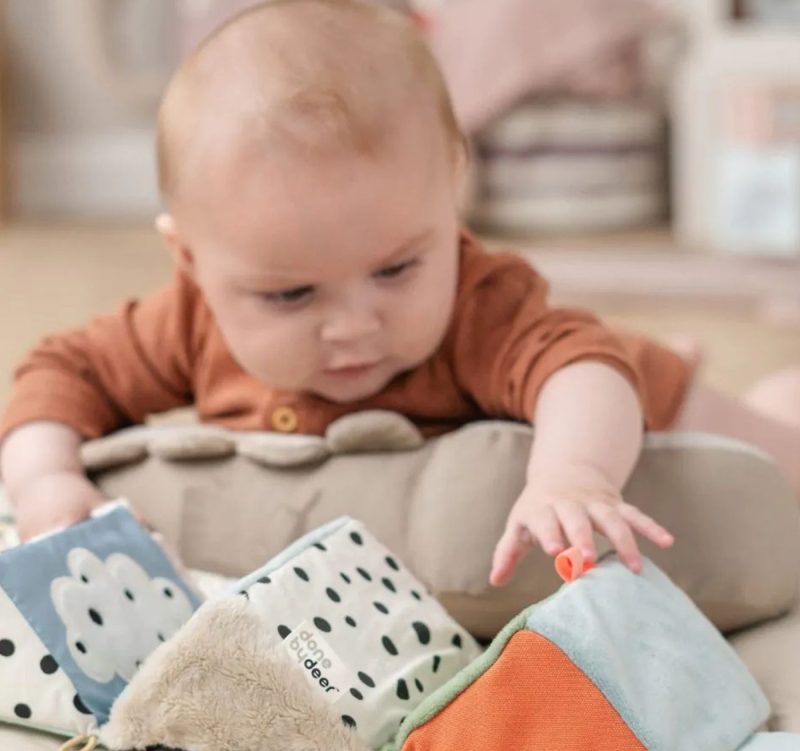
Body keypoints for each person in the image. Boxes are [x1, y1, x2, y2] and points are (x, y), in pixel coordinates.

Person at [1, 0, 798, 589]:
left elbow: (581, 368)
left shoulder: (478, 301)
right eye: (290, 296)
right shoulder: (184, 320)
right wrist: (44, 483)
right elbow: (57, 375)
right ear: (191, 259)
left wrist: (575, 473)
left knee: (778, 464)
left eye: (395, 270)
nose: (355, 326)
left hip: (635, 403)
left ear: (450, 196)